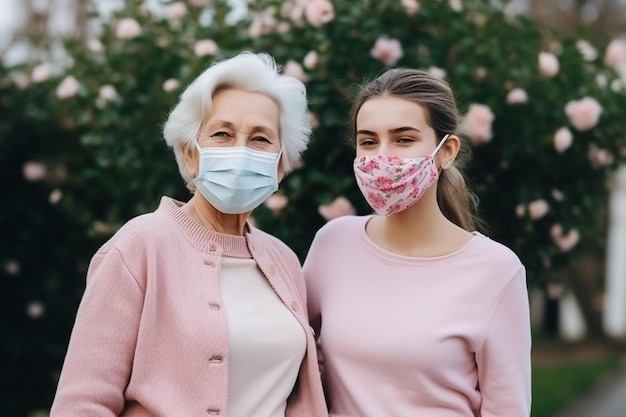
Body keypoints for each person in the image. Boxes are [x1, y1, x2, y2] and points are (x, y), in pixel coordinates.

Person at [50, 52, 328, 417]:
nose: (241, 149)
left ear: (280, 164)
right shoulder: (140, 246)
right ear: (190, 153)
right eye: (222, 134)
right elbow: (82, 404)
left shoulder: (284, 261)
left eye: (260, 138)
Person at [303, 68, 531, 416]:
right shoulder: (332, 244)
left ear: (447, 150)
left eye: (404, 139)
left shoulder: (496, 271)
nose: (382, 157)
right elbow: (296, 357)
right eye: (368, 141)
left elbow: (508, 408)